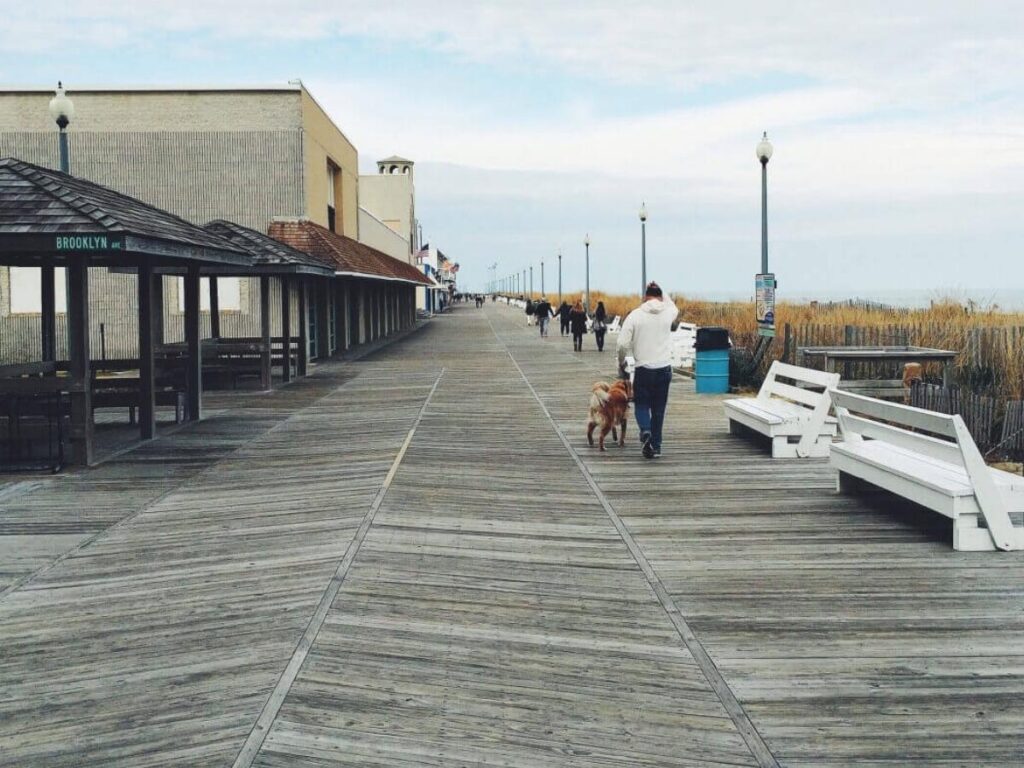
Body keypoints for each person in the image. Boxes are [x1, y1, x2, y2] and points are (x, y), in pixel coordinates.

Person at [617, 282, 678, 459]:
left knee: (642, 405)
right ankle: (656, 446)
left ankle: (645, 430)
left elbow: (622, 344)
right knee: (659, 409)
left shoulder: (635, 316)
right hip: (664, 368)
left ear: (645, 297)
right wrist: (661, 289)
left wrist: (622, 362)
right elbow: (672, 305)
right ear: (660, 296)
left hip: (643, 368)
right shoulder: (668, 313)